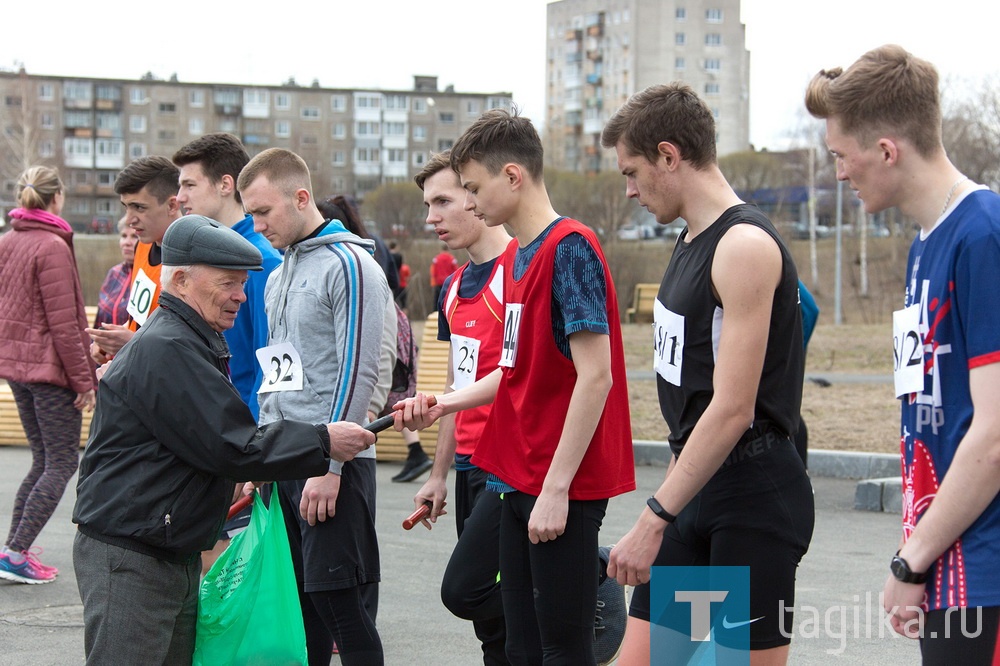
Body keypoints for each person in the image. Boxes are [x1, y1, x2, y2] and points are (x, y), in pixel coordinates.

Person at [71, 214, 374, 664]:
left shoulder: (189, 340)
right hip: (132, 557)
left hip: (162, 549)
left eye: (243, 283)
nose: (240, 295)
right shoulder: (170, 348)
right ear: (180, 280)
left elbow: (209, 442)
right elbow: (233, 444)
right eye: (228, 283)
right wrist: (323, 441)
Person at [395, 110, 636, 665]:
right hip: (513, 471)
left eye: (473, 189)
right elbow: (511, 370)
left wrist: (555, 489)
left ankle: (593, 572)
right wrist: (441, 405)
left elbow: (595, 377)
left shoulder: (570, 247)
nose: (470, 203)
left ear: (512, 176)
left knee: (561, 648)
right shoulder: (525, 255)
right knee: (518, 642)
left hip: (557, 481)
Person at [600, 83, 815, 665]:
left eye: (633, 171)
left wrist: (653, 517)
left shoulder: (743, 244)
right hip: (694, 495)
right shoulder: (689, 239)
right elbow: (689, 403)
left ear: (669, 156)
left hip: (752, 501)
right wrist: (671, 502)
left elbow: (732, 408)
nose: (630, 190)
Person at [806, 45, 1000, 663]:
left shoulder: (983, 234)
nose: (839, 173)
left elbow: (994, 436)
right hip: (946, 559)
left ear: (887, 150)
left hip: (983, 568)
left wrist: (910, 562)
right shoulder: (924, 244)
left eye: (842, 156)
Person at [238, 149, 392, 665]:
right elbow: (275, 372)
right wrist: (261, 457)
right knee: (302, 611)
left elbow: (360, 371)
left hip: (331, 467)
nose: (257, 226)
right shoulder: (278, 275)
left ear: (301, 197)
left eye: (264, 213)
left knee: (340, 607)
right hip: (284, 460)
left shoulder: (352, 266)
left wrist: (331, 466)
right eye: (250, 214)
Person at [0, 166, 97, 584]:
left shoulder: (8, 240)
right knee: (59, 463)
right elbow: (65, 323)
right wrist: (84, 382)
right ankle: (17, 552)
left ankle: (11, 551)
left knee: (42, 460)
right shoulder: (52, 246)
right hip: (50, 372)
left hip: (18, 369)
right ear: (55, 197)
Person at [317, 194, 430, 483]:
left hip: (386, 318)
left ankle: (416, 451)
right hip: (392, 315)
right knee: (393, 396)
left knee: (390, 393)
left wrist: (363, 413)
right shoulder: (369, 245)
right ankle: (415, 451)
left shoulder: (357, 263)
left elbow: (375, 359)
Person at [85, 156, 181, 365]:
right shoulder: (143, 245)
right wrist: (112, 343)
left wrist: (133, 343)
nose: (129, 219)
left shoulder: (194, 261)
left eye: (139, 207)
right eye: (126, 207)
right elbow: (139, 320)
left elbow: (191, 350)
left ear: (172, 205)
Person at [93, 215, 139, 328]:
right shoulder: (114, 273)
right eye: (124, 236)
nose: (127, 242)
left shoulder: (149, 276)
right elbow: (100, 316)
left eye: (134, 236)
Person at [430, 241, 458, 307]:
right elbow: (456, 271)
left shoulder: (436, 259)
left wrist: (433, 282)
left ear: (441, 249)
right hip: (449, 283)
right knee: (448, 301)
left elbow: (433, 272)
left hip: (438, 282)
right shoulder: (452, 259)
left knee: (437, 301)